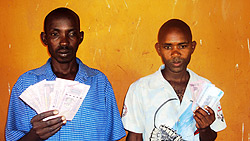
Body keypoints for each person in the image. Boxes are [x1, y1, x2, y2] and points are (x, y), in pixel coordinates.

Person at [5, 7, 126, 141]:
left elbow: (113, 137)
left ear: (81, 37)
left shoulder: (99, 83)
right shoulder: (25, 84)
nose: (64, 42)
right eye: (55, 34)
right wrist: (34, 135)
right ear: (44, 38)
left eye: (71, 34)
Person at [122, 19, 226, 141]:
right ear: (159, 49)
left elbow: (211, 137)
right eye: (168, 47)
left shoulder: (205, 88)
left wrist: (205, 128)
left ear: (192, 47)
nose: (175, 53)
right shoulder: (140, 89)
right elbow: (134, 137)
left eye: (182, 46)